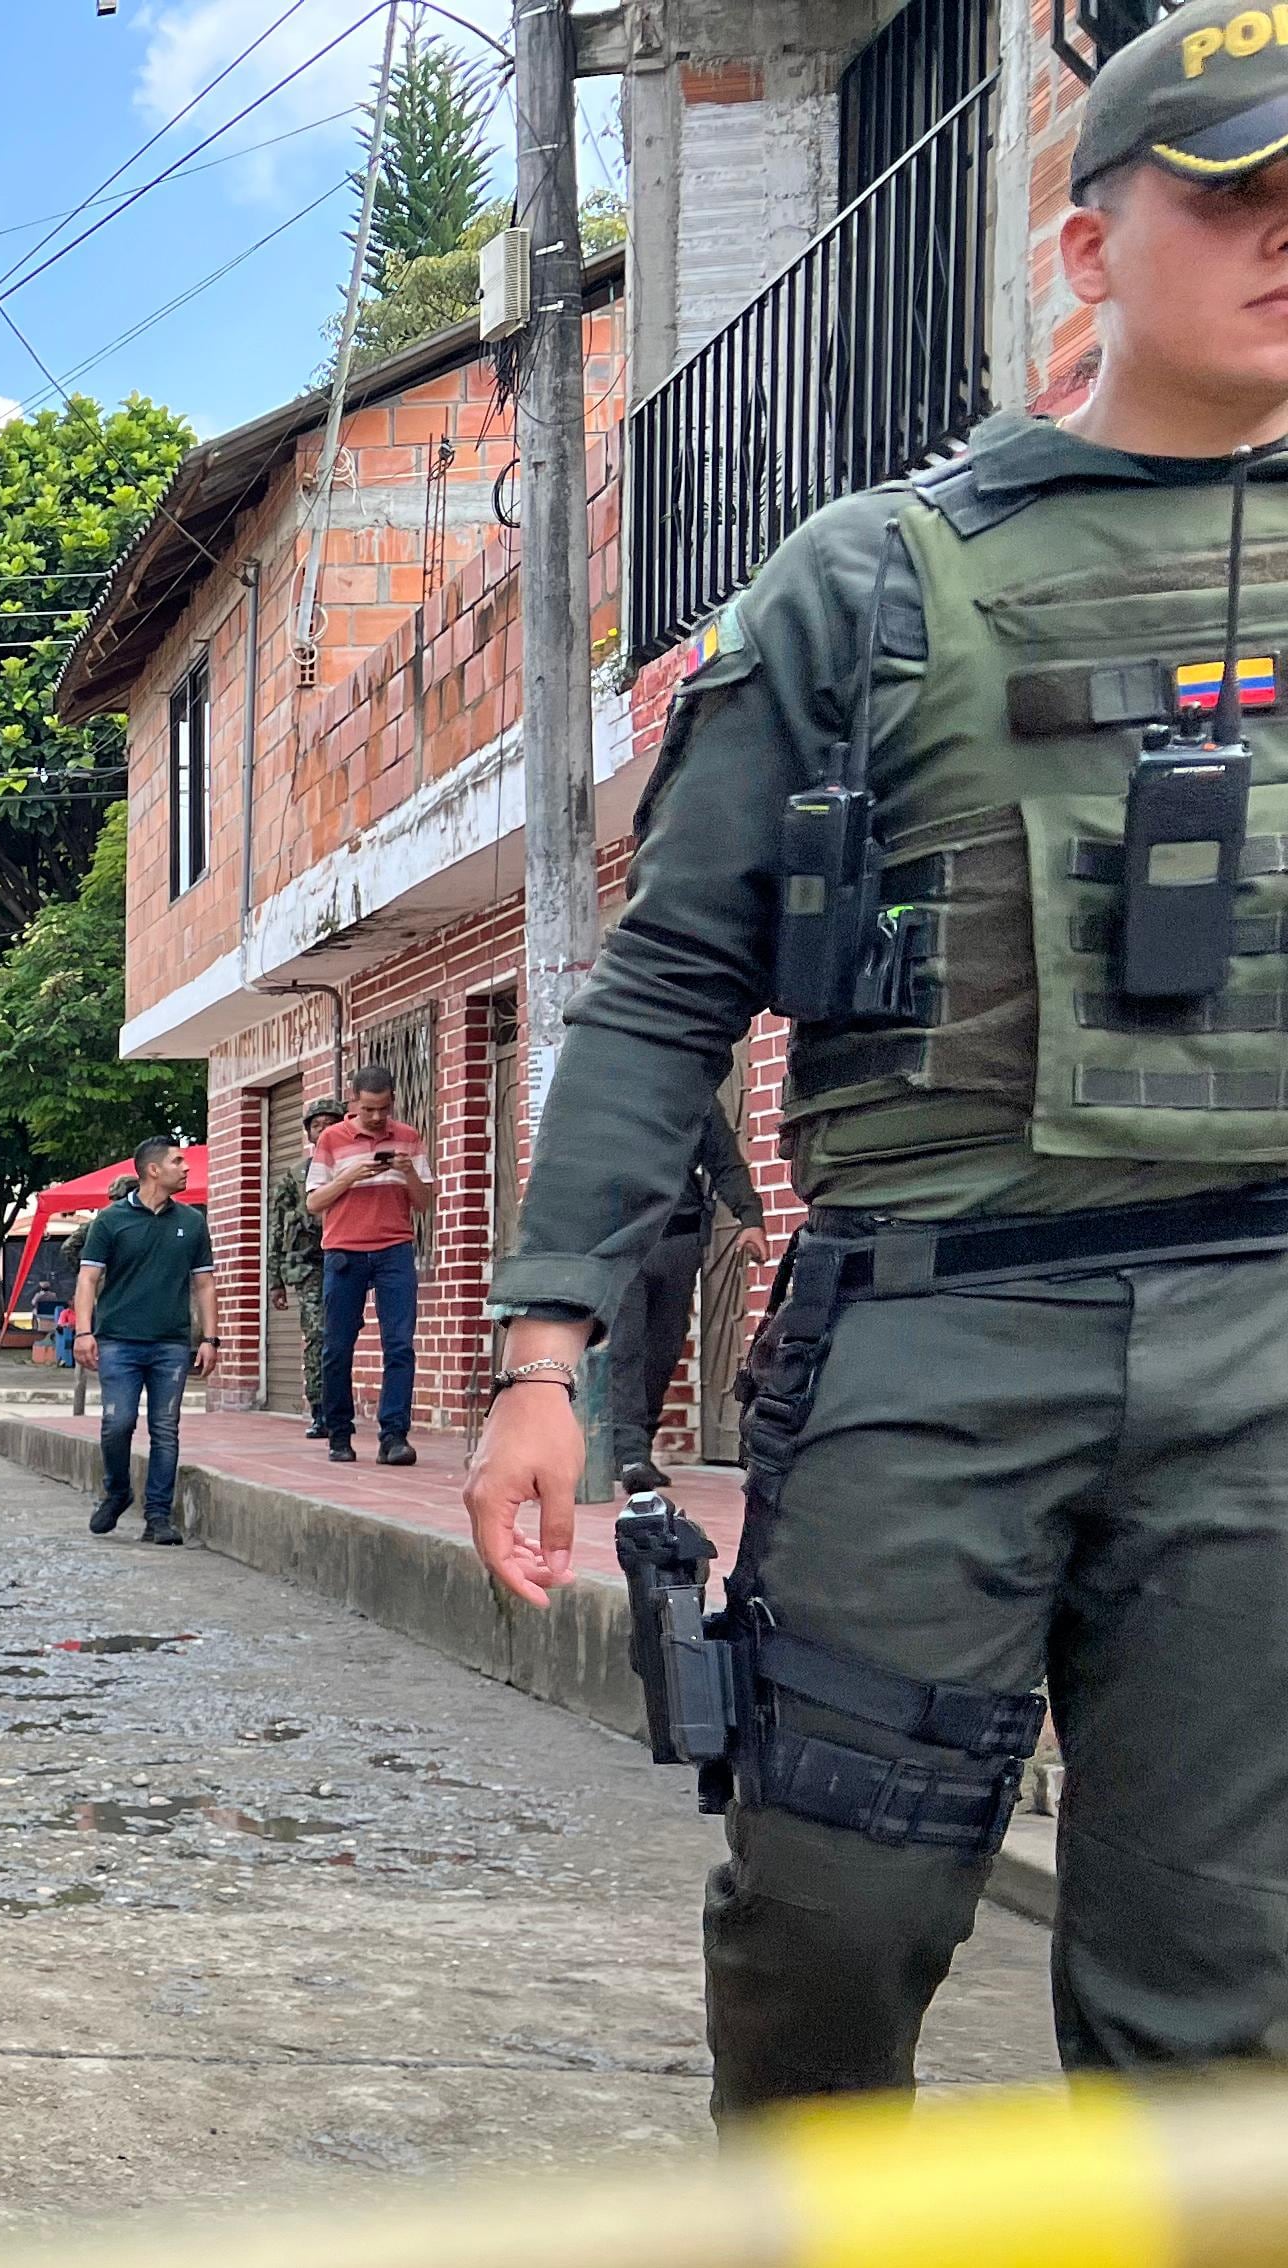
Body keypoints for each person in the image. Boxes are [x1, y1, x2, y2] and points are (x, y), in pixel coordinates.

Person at [469, 0, 1288, 2120]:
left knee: (1220, 2001)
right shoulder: (870, 582)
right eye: (1236, 196)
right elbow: (666, 990)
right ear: (1095, 241)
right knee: (825, 1936)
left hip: (1269, 1346)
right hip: (940, 1340)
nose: (1283, 237)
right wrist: (549, 1357)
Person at [601, 1092, 765, 1493]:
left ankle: (639, 1444)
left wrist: (750, 1217)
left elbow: (725, 1163)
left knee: (664, 1348)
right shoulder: (613, 1093)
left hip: (680, 1239)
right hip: (623, 1242)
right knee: (627, 1349)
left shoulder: (698, 1096)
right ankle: (629, 1453)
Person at [72, 1137, 217, 1547]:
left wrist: (210, 1338)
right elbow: (87, 1279)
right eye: (178, 1161)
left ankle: (158, 1516)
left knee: (165, 1429)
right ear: (153, 1170)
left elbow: (204, 1284)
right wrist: (84, 1332)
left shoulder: (192, 1221)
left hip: (170, 1344)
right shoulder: (110, 1221)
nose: (186, 1167)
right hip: (118, 1341)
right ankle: (117, 1491)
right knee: (117, 1424)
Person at [305, 1065, 433, 1466]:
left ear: (392, 1100)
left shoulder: (408, 1137)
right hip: (344, 1250)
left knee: (399, 1345)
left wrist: (409, 1172)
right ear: (353, 1102)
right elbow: (313, 1202)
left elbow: (425, 1203)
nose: (376, 1117)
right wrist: (351, 1176)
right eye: (368, 1109)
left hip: (394, 1248)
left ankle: (394, 1436)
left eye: (382, 1109)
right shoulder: (331, 1139)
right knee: (337, 1347)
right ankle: (339, 1433)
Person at [272, 1098, 343, 1437]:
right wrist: (276, 1281)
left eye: (331, 1122)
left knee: (342, 1337)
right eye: (317, 1125)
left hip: (346, 1259)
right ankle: (321, 1410)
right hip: (310, 1265)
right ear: (309, 1133)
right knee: (318, 1335)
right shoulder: (295, 1175)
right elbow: (276, 1230)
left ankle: (340, 1407)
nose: (324, 1129)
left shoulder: (354, 1165)